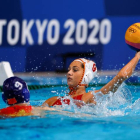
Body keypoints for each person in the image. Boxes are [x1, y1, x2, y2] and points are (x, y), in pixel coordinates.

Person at [42, 52, 140, 107]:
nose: (69, 72)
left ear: (85, 76)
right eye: (69, 70)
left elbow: (121, 77)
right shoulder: (52, 100)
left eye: (75, 70)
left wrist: (137, 56)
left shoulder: (90, 97)